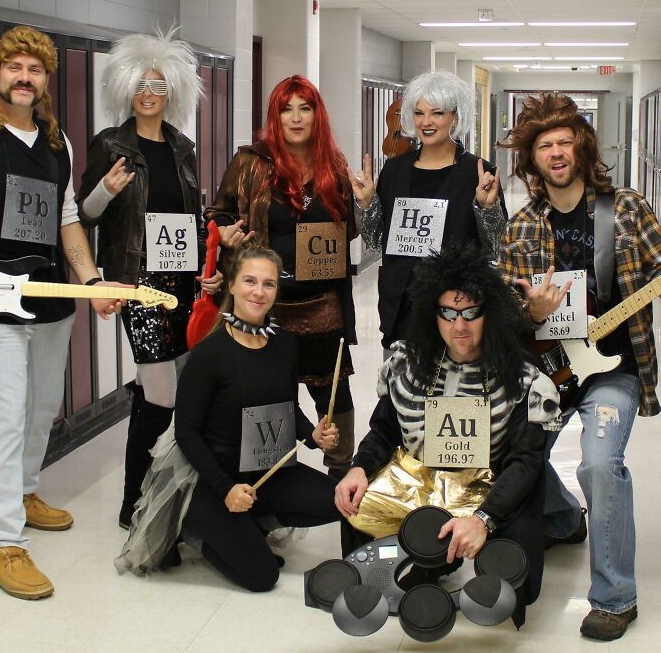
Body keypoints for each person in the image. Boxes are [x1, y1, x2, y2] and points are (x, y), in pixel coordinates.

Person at [0, 25, 126, 599]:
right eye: (15, 68)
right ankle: (4, 542)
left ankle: (24, 491)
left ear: (45, 81)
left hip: (50, 296)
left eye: (35, 69)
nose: (24, 78)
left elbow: (66, 219)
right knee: (4, 416)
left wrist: (91, 280)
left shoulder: (58, 144)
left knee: (39, 408)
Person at [498, 92, 661, 641]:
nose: (557, 152)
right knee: (510, 450)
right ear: (532, 159)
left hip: (613, 369)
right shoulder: (520, 227)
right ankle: (566, 519)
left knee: (598, 463)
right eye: (545, 145)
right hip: (548, 368)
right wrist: (529, 311)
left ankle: (616, 597)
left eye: (565, 141)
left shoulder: (628, 208)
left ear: (582, 147)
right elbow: (502, 311)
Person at [335, 243, 562, 627]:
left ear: (490, 313)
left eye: (472, 313)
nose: (460, 325)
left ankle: (454, 554)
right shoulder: (406, 365)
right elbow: (385, 429)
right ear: (432, 314)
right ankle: (420, 562)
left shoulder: (524, 379)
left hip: (491, 488)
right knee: (355, 504)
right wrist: (358, 468)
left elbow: (526, 462)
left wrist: (485, 520)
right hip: (422, 480)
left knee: (521, 583)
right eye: (448, 313)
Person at [116, 241, 341, 590]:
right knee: (263, 576)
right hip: (210, 479)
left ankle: (254, 522)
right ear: (232, 285)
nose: (259, 292)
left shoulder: (284, 343)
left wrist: (311, 435)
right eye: (250, 281)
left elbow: (286, 406)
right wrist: (225, 488)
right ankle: (197, 533)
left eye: (268, 284)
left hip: (266, 470)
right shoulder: (210, 353)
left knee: (340, 500)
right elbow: (186, 432)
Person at [76, 30, 221, 529]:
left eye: (158, 85)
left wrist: (208, 263)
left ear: (172, 92)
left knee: (177, 386)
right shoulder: (110, 144)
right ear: (125, 89)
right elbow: (84, 217)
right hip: (137, 283)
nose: (148, 93)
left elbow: (191, 216)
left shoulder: (183, 147)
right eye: (140, 84)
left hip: (181, 282)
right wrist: (104, 190)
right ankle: (133, 501)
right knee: (161, 391)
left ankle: (170, 490)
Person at [206, 75, 356, 479]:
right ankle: (265, 486)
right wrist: (225, 232)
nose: (295, 117)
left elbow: (349, 233)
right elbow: (218, 212)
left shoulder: (333, 164)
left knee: (334, 399)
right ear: (274, 116)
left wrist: (365, 201)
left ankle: (342, 482)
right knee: (269, 399)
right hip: (266, 306)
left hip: (323, 304)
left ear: (316, 115)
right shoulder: (251, 162)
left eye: (304, 108)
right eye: (286, 109)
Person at [350, 70, 507, 355]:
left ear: (454, 118)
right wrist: (366, 204)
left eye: (437, 113)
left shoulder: (478, 173)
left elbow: (493, 246)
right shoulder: (395, 170)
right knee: (398, 394)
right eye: (419, 113)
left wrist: (487, 207)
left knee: (453, 397)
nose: (427, 122)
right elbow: (376, 242)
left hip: (456, 312)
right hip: (401, 307)